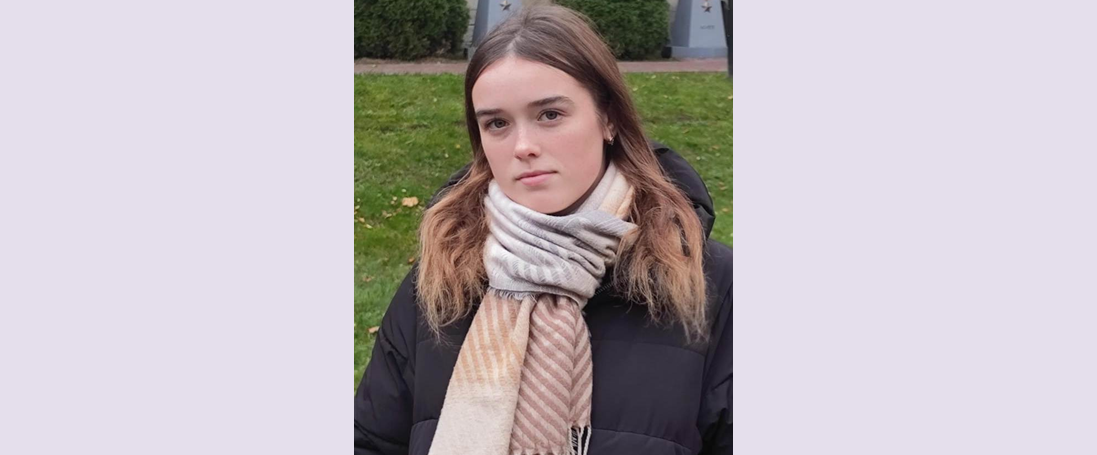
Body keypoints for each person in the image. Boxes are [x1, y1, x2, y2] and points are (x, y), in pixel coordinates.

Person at [354, 5, 732, 455]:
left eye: (550, 115)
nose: (523, 147)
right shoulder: (441, 278)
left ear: (609, 118)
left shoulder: (709, 283)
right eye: (497, 123)